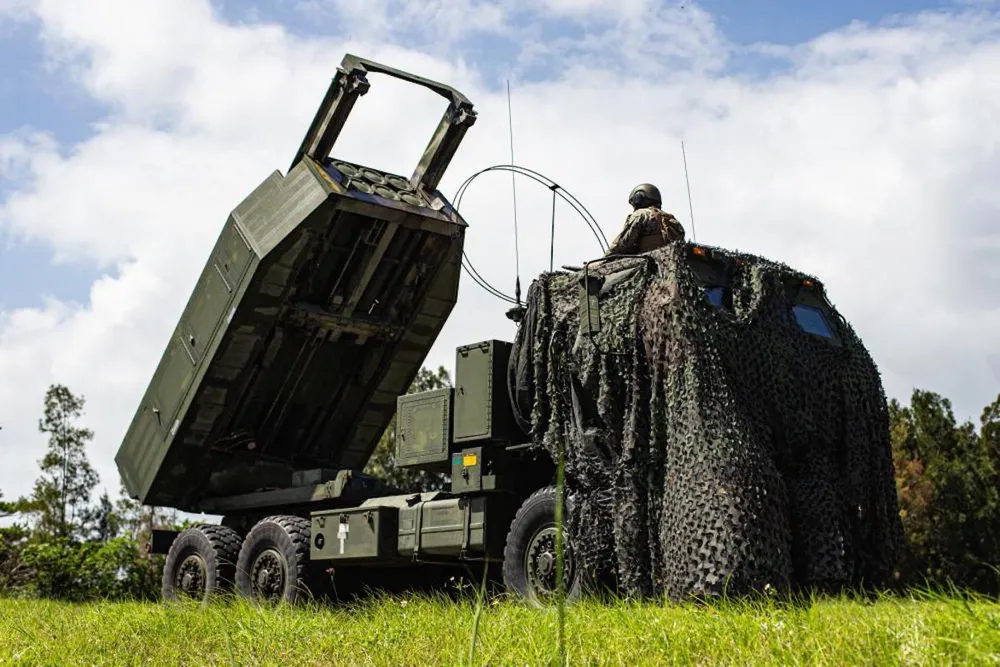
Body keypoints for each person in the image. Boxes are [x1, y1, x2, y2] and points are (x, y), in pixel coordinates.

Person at [605, 183, 685, 256]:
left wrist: (605, 259)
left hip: (649, 262)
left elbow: (623, 243)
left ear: (639, 198)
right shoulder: (671, 219)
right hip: (669, 262)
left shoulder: (641, 215)